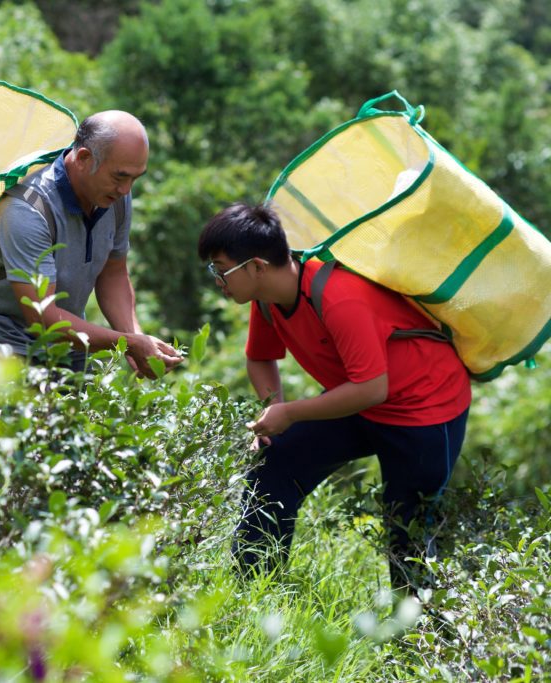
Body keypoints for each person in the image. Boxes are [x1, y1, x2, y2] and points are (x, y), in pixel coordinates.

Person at [197, 202, 471, 591]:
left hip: (423, 407)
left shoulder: (340, 297)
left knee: (407, 527)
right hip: (361, 399)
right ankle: (253, 591)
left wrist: (289, 412)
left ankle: (422, 640)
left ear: (257, 266)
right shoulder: (267, 298)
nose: (218, 280)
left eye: (222, 270)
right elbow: (260, 357)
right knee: (276, 461)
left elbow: (373, 387)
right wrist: (272, 407)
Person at [0, 110, 181, 377]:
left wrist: (138, 339)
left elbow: (113, 272)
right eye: (120, 177)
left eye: (134, 178)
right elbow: (42, 317)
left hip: (65, 345)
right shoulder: (27, 210)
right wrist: (129, 345)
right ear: (84, 158)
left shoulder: (115, 198)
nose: (126, 190)